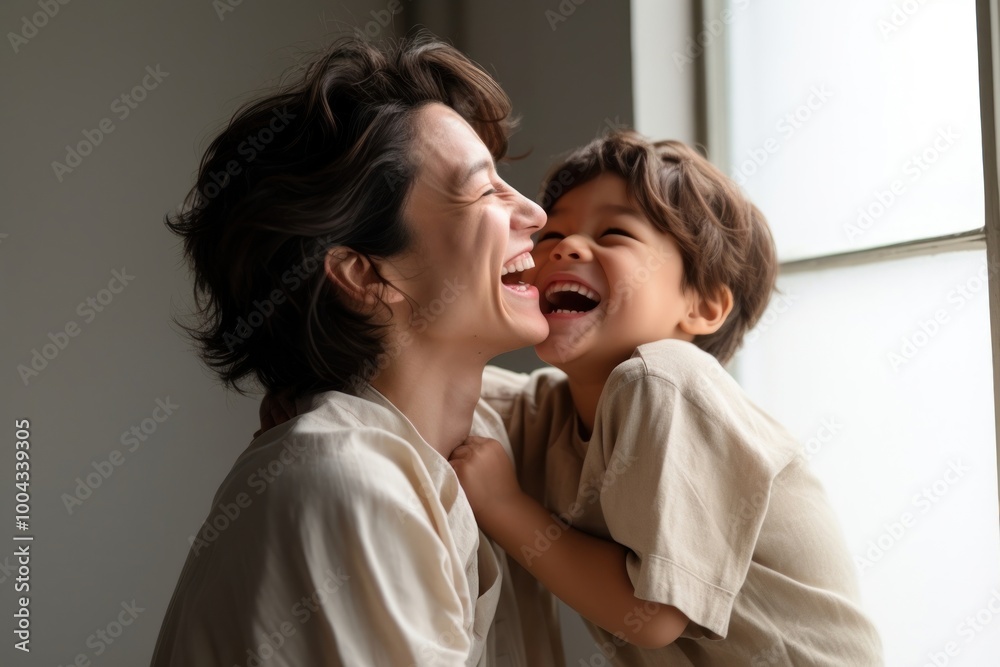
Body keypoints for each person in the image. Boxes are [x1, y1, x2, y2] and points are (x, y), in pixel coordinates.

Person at [151, 35, 564, 666]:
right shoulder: (345, 480)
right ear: (365, 275)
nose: (534, 212)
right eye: (485, 192)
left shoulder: (457, 448)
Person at [450, 133, 885, 665]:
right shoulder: (556, 409)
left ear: (701, 306)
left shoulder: (665, 380)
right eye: (554, 231)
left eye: (614, 232)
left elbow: (654, 615)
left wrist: (503, 506)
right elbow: (444, 386)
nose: (565, 247)